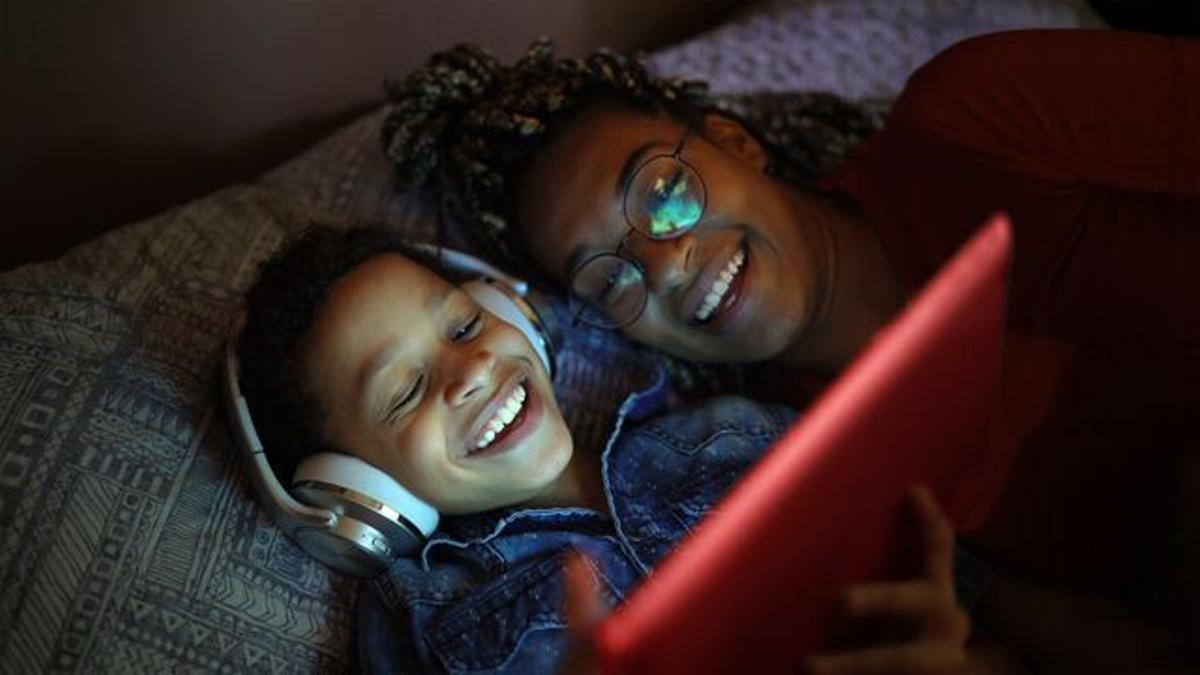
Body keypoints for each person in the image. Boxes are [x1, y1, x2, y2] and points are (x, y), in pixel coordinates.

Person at [383, 30, 1200, 669]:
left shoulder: (972, 123)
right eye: (612, 275)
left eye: (664, 192)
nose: (664, 264)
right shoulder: (787, 451)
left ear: (737, 142)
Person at [237, 225, 1014, 674]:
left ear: (512, 310)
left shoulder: (733, 433)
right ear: (359, 489)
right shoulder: (427, 616)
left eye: (467, 325)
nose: (472, 369)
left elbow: (980, 618)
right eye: (404, 392)